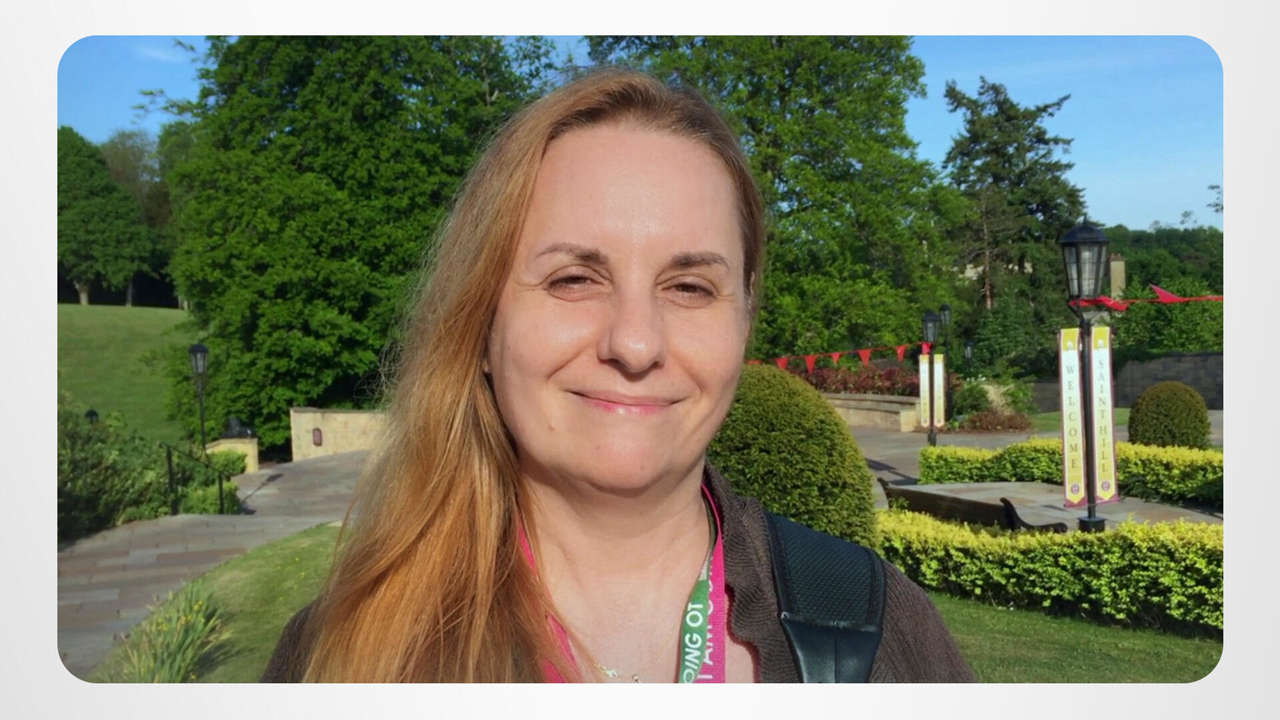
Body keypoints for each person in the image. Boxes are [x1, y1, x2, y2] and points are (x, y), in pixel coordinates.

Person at [263, 68, 974, 683]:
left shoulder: (876, 632)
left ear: (743, 322)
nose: (635, 344)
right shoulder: (343, 655)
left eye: (689, 287)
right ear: (482, 323)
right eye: (574, 278)